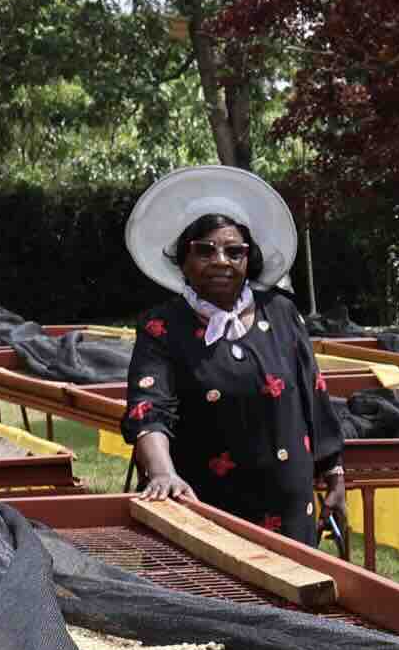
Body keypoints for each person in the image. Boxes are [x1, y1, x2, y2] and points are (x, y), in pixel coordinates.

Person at [119, 165, 346, 547]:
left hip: (290, 516)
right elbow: (148, 410)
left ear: (249, 258)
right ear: (183, 261)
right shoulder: (163, 327)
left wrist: (335, 475)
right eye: (204, 250)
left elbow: (314, 396)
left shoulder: (282, 313)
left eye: (234, 251)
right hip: (203, 512)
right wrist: (162, 474)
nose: (220, 260)